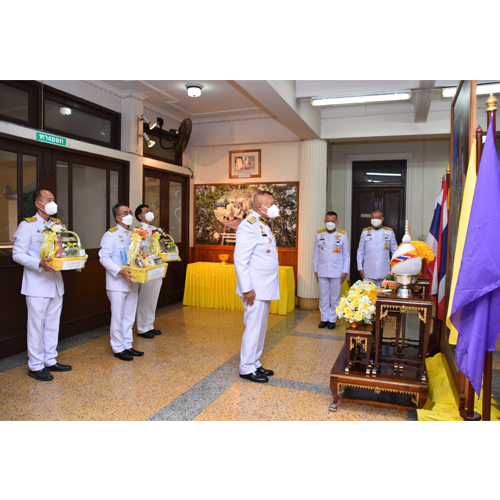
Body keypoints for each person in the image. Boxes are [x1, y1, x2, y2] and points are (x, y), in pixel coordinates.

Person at [12, 189, 72, 381]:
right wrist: (38, 262)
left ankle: (50, 359)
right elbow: (17, 254)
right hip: (37, 284)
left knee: (52, 324)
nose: (53, 202)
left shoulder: (57, 225)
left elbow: (61, 250)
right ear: (38, 204)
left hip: (55, 284)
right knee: (36, 326)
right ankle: (36, 365)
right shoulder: (27, 225)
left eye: (54, 199)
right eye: (49, 199)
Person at [234, 190, 279, 383]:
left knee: (260, 328)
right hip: (254, 289)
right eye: (271, 203)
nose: (274, 206)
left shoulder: (262, 224)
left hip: (265, 286)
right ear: (260, 206)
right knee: (253, 327)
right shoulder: (249, 226)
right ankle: (245, 368)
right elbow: (240, 259)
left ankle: (254, 362)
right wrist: (246, 288)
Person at [99, 204, 142, 361]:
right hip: (117, 283)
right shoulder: (111, 235)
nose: (129, 215)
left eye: (130, 212)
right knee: (118, 317)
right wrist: (119, 271)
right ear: (118, 217)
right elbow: (104, 258)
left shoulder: (133, 234)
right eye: (125, 213)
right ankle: (117, 348)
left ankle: (127, 345)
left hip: (132, 281)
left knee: (129, 316)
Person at [313, 211, 350, 330]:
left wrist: (345, 271)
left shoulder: (343, 235)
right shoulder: (319, 235)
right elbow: (316, 254)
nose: (330, 223)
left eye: (332, 221)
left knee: (335, 296)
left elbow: (346, 256)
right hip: (322, 269)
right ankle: (324, 318)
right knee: (323, 296)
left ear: (337, 222)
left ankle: (332, 319)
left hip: (337, 271)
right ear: (324, 221)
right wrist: (315, 269)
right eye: (327, 221)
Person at [134, 204, 162, 339]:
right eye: (146, 211)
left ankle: (149, 324)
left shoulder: (155, 229)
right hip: (145, 267)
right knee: (145, 297)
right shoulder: (136, 231)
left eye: (150, 211)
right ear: (140, 216)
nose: (150, 213)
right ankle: (141, 327)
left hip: (156, 265)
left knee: (154, 296)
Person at [357, 209, 398, 287]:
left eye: (378, 218)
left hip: (385, 270)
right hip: (368, 270)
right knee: (368, 296)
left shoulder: (389, 232)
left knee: (383, 295)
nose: (375, 219)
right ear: (370, 218)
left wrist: (393, 268)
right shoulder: (365, 232)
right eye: (373, 217)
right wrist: (360, 268)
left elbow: (395, 251)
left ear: (382, 219)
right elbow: (360, 252)